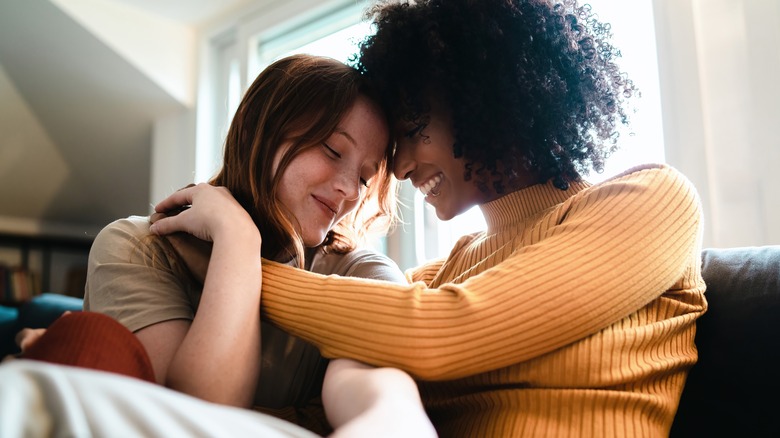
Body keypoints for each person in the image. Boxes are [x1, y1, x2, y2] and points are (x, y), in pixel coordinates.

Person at [157, 0, 706, 436]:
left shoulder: (650, 199)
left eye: (414, 127)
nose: (394, 167)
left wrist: (234, 249)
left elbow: (440, 331)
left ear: (486, 103)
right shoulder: (448, 269)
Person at [6, 54, 435, 437]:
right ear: (257, 131)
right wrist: (237, 239)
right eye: (330, 149)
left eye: (364, 177)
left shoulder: (360, 273)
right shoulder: (138, 246)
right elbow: (196, 411)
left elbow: (385, 400)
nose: (348, 191)